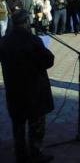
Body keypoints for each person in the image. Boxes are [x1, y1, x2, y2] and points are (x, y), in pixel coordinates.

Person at [0, 10, 55, 163]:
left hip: (14, 89)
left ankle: (21, 155)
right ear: (26, 22)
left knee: (18, 125)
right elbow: (48, 61)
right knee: (36, 124)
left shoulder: (4, 41)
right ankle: (36, 154)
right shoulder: (33, 40)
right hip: (34, 90)